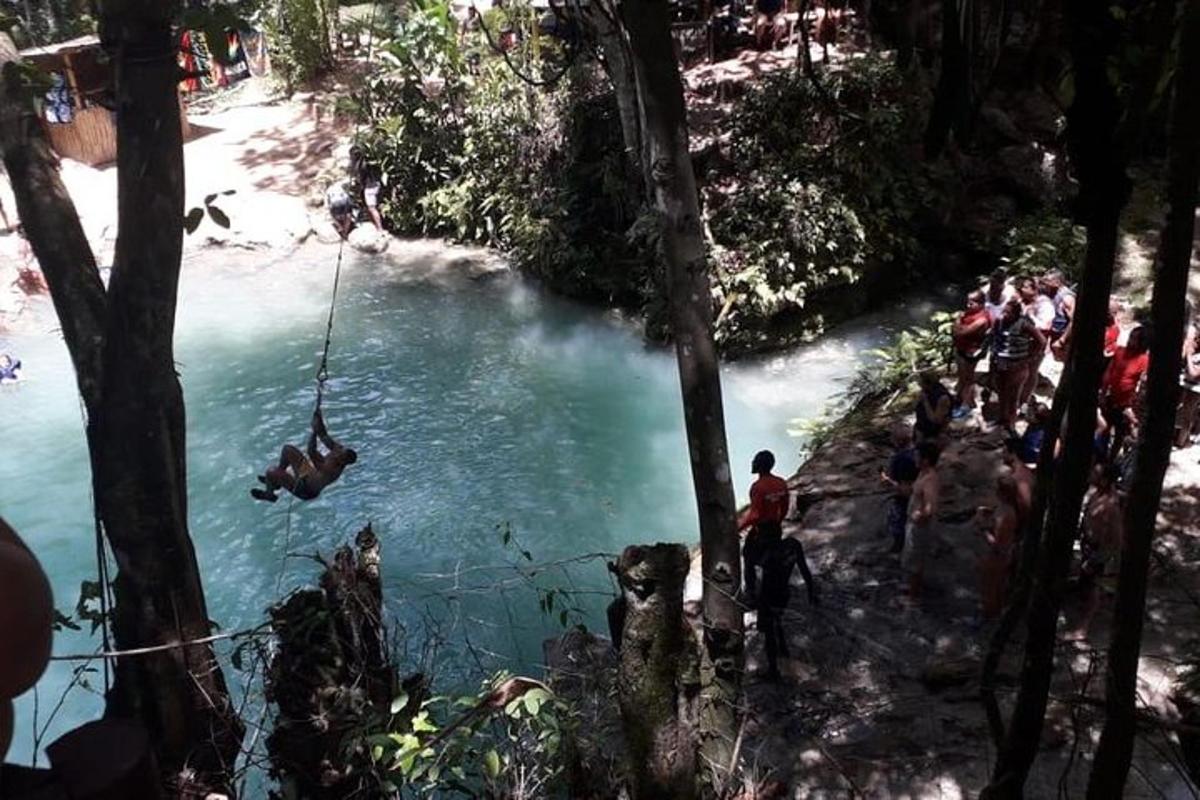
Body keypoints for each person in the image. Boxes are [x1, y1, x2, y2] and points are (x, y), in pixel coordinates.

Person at [1067, 464, 1124, 640]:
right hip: (1088, 545)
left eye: (1095, 473)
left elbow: (1115, 539)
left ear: (1105, 480)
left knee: (1095, 588)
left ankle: (1084, 628)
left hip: (1100, 551)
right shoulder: (1096, 494)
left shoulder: (1110, 506)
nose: (1091, 474)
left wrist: (1097, 559)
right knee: (1087, 582)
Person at [251, 410, 358, 502]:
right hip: (308, 473)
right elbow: (324, 435)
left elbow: (311, 452)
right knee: (287, 449)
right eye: (340, 453)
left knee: (271, 472)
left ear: (344, 463)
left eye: (341, 458)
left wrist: (314, 432)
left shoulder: (332, 471)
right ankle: (276, 482)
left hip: (305, 489)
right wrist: (318, 417)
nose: (337, 455)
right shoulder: (337, 449)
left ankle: (269, 495)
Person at [756, 536, 819, 681]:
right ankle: (783, 648)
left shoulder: (769, 553)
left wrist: (759, 601)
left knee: (769, 632)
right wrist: (811, 591)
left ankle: (773, 670)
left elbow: (763, 576)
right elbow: (804, 569)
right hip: (783, 593)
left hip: (769, 596)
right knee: (777, 621)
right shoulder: (794, 545)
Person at [739, 450, 795, 602]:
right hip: (775, 528)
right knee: (771, 559)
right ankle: (772, 590)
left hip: (761, 531)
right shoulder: (781, 483)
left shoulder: (758, 487)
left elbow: (755, 515)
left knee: (749, 558)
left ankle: (750, 594)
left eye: (755, 460)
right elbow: (784, 508)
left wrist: (738, 527)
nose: (752, 462)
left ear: (759, 465)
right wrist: (777, 521)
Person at [991, 298, 1045, 434]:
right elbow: (994, 338)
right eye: (1004, 311)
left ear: (1016, 314)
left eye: (1008, 313)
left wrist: (1029, 358)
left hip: (1017, 365)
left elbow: (1041, 341)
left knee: (1013, 396)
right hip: (1000, 363)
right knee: (1001, 392)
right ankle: (1002, 418)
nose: (1004, 315)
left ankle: (1011, 424)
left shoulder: (1024, 324)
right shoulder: (999, 322)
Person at [1099, 324, 1151, 460]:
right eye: (1131, 337)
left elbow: (1142, 383)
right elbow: (1108, 372)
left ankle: (1112, 459)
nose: (1130, 340)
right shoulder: (1120, 351)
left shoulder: (1144, 359)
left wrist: (1132, 407)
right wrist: (1103, 393)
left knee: (1120, 434)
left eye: (1135, 339)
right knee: (1104, 428)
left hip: (1126, 404)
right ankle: (1101, 455)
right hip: (1111, 397)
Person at [977, 474, 1021, 622]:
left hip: (999, 555)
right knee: (995, 584)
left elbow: (997, 542)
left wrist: (983, 530)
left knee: (992, 586)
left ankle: (988, 616)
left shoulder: (1007, 515)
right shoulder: (1004, 508)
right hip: (1002, 553)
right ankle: (993, 613)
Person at [902, 442, 941, 602]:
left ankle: (912, 598)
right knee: (912, 558)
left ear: (925, 459)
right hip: (913, 522)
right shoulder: (922, 473)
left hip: (919, 526)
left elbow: (930, 507)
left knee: (915, 560)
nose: (914, 458)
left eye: (917, 455)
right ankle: (912, 588)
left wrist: (918, 516)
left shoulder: (930, 479)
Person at [952, 290, 992, 419]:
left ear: (981, 303)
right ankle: (966, 399)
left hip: (970, 353)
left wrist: (957, 321)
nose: (968, 304)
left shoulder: (981, 319)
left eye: (973, 302)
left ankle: (966, 406)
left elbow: (960, 333)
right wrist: (959, 326)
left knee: (968, 379)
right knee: (962, 377)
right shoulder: (969, 313)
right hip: (961, 349)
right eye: (968, 301)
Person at [880, 424, 918, 554]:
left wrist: (888, 482)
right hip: (917, 492)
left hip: (906, 499)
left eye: (892, 437)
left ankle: (899, 548)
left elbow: (906, 489)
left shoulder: (902, 460)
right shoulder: (917, 451)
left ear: (897, 441)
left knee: (897, 523)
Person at [1018, 276, 1055, 405]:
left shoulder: (1045, 305)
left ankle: (1024, 400)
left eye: (1025, 287)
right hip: (1020, 344)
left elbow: (1045, 325)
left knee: (1031, 371)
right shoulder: (1022, 301)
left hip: (1036, 344)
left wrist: (1031, 316)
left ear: (1035, 290)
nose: (1021, 289)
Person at [1043, 270, 1076, 362]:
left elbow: (1074, 321)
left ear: (1057, 282)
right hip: (1054, 334)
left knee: (1061, 362)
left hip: (1063, 337)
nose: (1045, 283)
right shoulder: (1052, 293)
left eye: (1048, 281)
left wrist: (1062, 340)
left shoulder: (1067, 298)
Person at [1176, 321, 1200, 448]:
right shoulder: (1193, 348)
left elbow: (1194, 373)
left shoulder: (1195, 354)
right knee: (1178, 411)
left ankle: (1181, 441)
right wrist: (1186, 347)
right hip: (1184, 383)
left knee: (1187, 415)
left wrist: (1190, 356)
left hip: (1195, 388)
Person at [913, 370, 953, 444]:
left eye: (920, 382)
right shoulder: (925, 392)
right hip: (921, 428)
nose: (918, 384)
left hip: (935, 431)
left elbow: (936, 420)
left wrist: (925, 401)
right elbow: (915, 407)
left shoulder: (942, 396)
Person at [1002, 437, 1035, 520]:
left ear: (1013, 454)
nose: (1002, 454)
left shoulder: (1019, 478)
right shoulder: (1021, 472)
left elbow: (1027, 506)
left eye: (1005, 451)